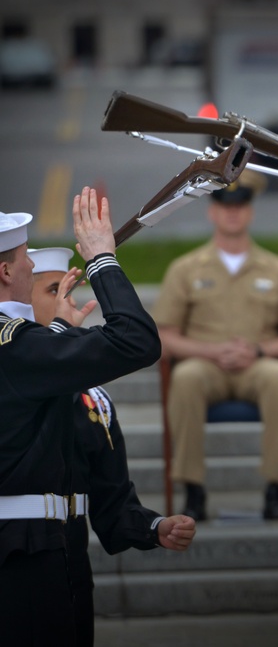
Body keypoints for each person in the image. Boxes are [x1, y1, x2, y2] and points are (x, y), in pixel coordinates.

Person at [0, 188, 161, 645]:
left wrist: (56, 335)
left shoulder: (20, 349)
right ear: (6, 270)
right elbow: (136, 341)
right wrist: (101, 259)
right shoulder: (17, 348)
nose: (31, 267)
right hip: (25, 553)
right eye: (23, 260)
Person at [29, 247, 196, 646]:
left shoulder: (92, 400)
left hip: (68, 562)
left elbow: (111, 500)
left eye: (69, 291)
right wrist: (57, 338)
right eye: (55, 290)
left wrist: (155, 527)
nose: (67, 303)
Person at [153, 171, 278, 521]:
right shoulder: (184, 269)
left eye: (240, 205)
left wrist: (259, 352)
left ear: (250, 211)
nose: (232, 212)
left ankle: (274, 487)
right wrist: (210, 351)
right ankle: (193, 490)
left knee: (277, 377)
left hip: (257, 363)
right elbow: (164, 335)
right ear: (212, 211)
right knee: (185, 379)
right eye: (225, 205)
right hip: (204, 363)